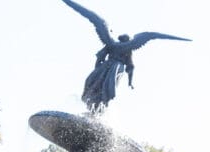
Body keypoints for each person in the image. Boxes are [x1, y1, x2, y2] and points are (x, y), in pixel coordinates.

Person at [61, 0, 190, 113]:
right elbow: (130, 66)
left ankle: (94, 105)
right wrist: (130, 82)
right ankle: (97, 106)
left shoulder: (112, 44)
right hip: (114, 67)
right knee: (104, 87)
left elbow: (101, 56)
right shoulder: (126, 47)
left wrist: (98, 67)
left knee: (94, 84)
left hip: (108, 67)